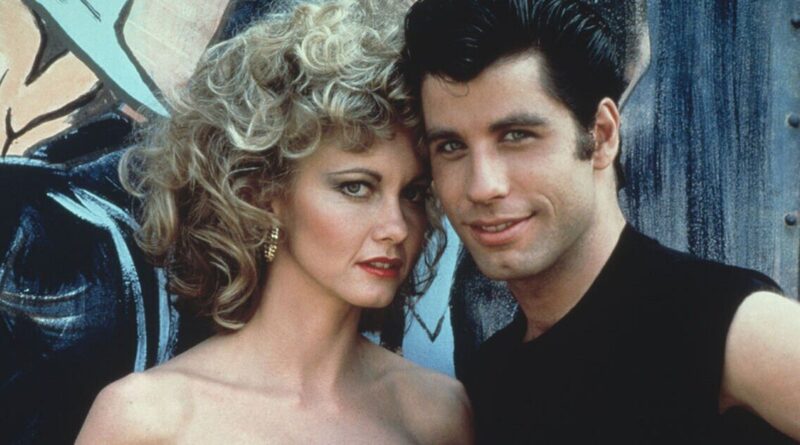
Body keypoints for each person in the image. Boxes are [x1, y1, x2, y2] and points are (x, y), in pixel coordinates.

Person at [402, 0, 800, 443]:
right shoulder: (490, 379)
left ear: (602, 135)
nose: (482, 186)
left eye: (517, 136)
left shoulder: (727, 325)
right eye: (451, 146)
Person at [76, 0, 472, 443]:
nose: (396, 227)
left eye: (413, 193)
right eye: (356, 188)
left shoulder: (434, 414)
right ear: (262, 195)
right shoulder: (147, 418)